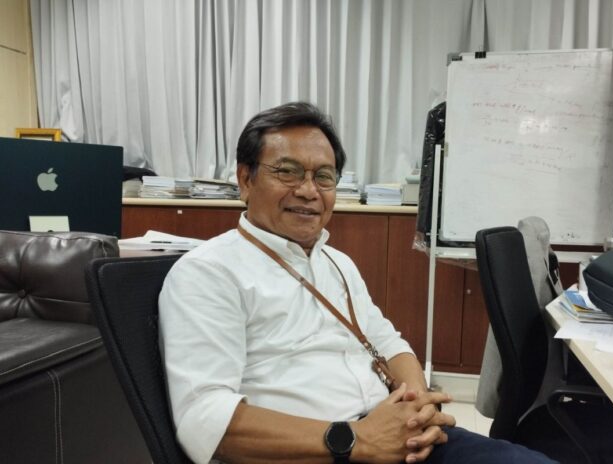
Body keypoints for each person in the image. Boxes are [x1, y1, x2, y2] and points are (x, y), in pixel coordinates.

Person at [159, 102, 557, 464]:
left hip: (392, 440)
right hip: (320, 451)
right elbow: (204, 420)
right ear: (245, 179)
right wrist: (355, 439)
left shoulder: (337, 263)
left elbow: (388, 343)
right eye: (287, 171)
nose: (309, 191)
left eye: (324, 177)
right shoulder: (209, 272)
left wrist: (416, 409)